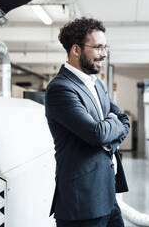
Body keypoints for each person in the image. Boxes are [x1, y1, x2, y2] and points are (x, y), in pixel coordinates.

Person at [45, 17, 130, 227]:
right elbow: (96, 134)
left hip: (107, 196)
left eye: (105, 47)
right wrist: (108, 130)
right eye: (98, 47)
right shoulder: (61, 88)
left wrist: (108, 133)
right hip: (81, 203)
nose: (104, 53)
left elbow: (124, 119)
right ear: (76, 50)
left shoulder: (96, 84)